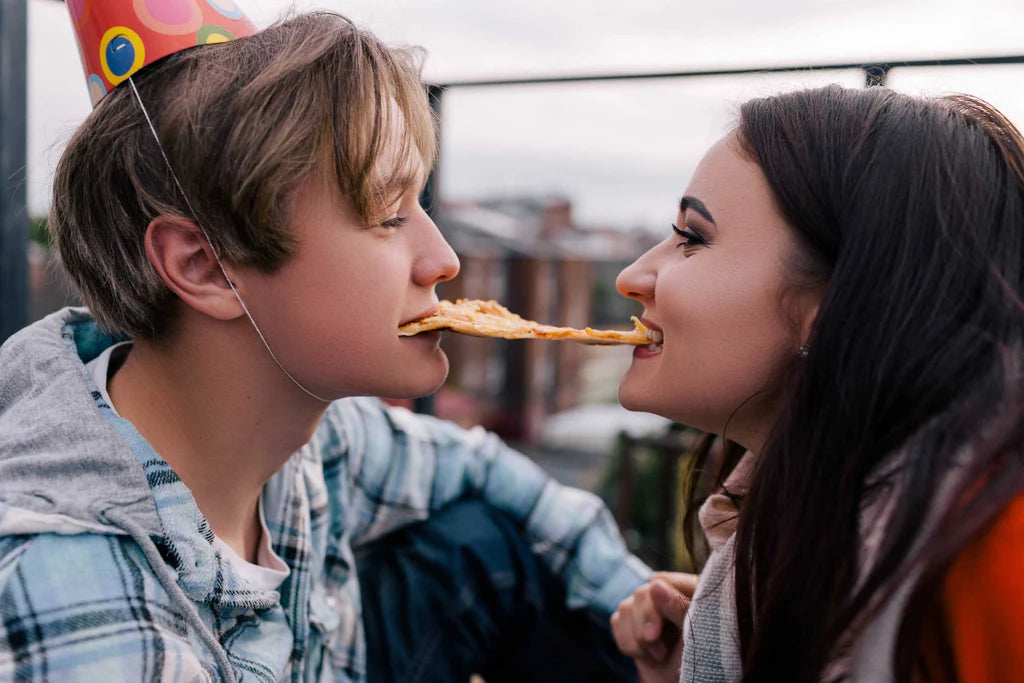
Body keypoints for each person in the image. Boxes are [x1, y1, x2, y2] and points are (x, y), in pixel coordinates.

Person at [0, 9, 650, 682]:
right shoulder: (94, 621)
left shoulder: (314, 444)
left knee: (486, 543)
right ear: (204, 265)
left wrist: (690, 633)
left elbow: (485, 467)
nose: (445, 259)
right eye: (389, 213)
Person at [608, 84, 1024, 682]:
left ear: (833, 308)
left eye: (693, 238)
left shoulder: (988, 560)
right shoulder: (787, 557)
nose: (632, 276)